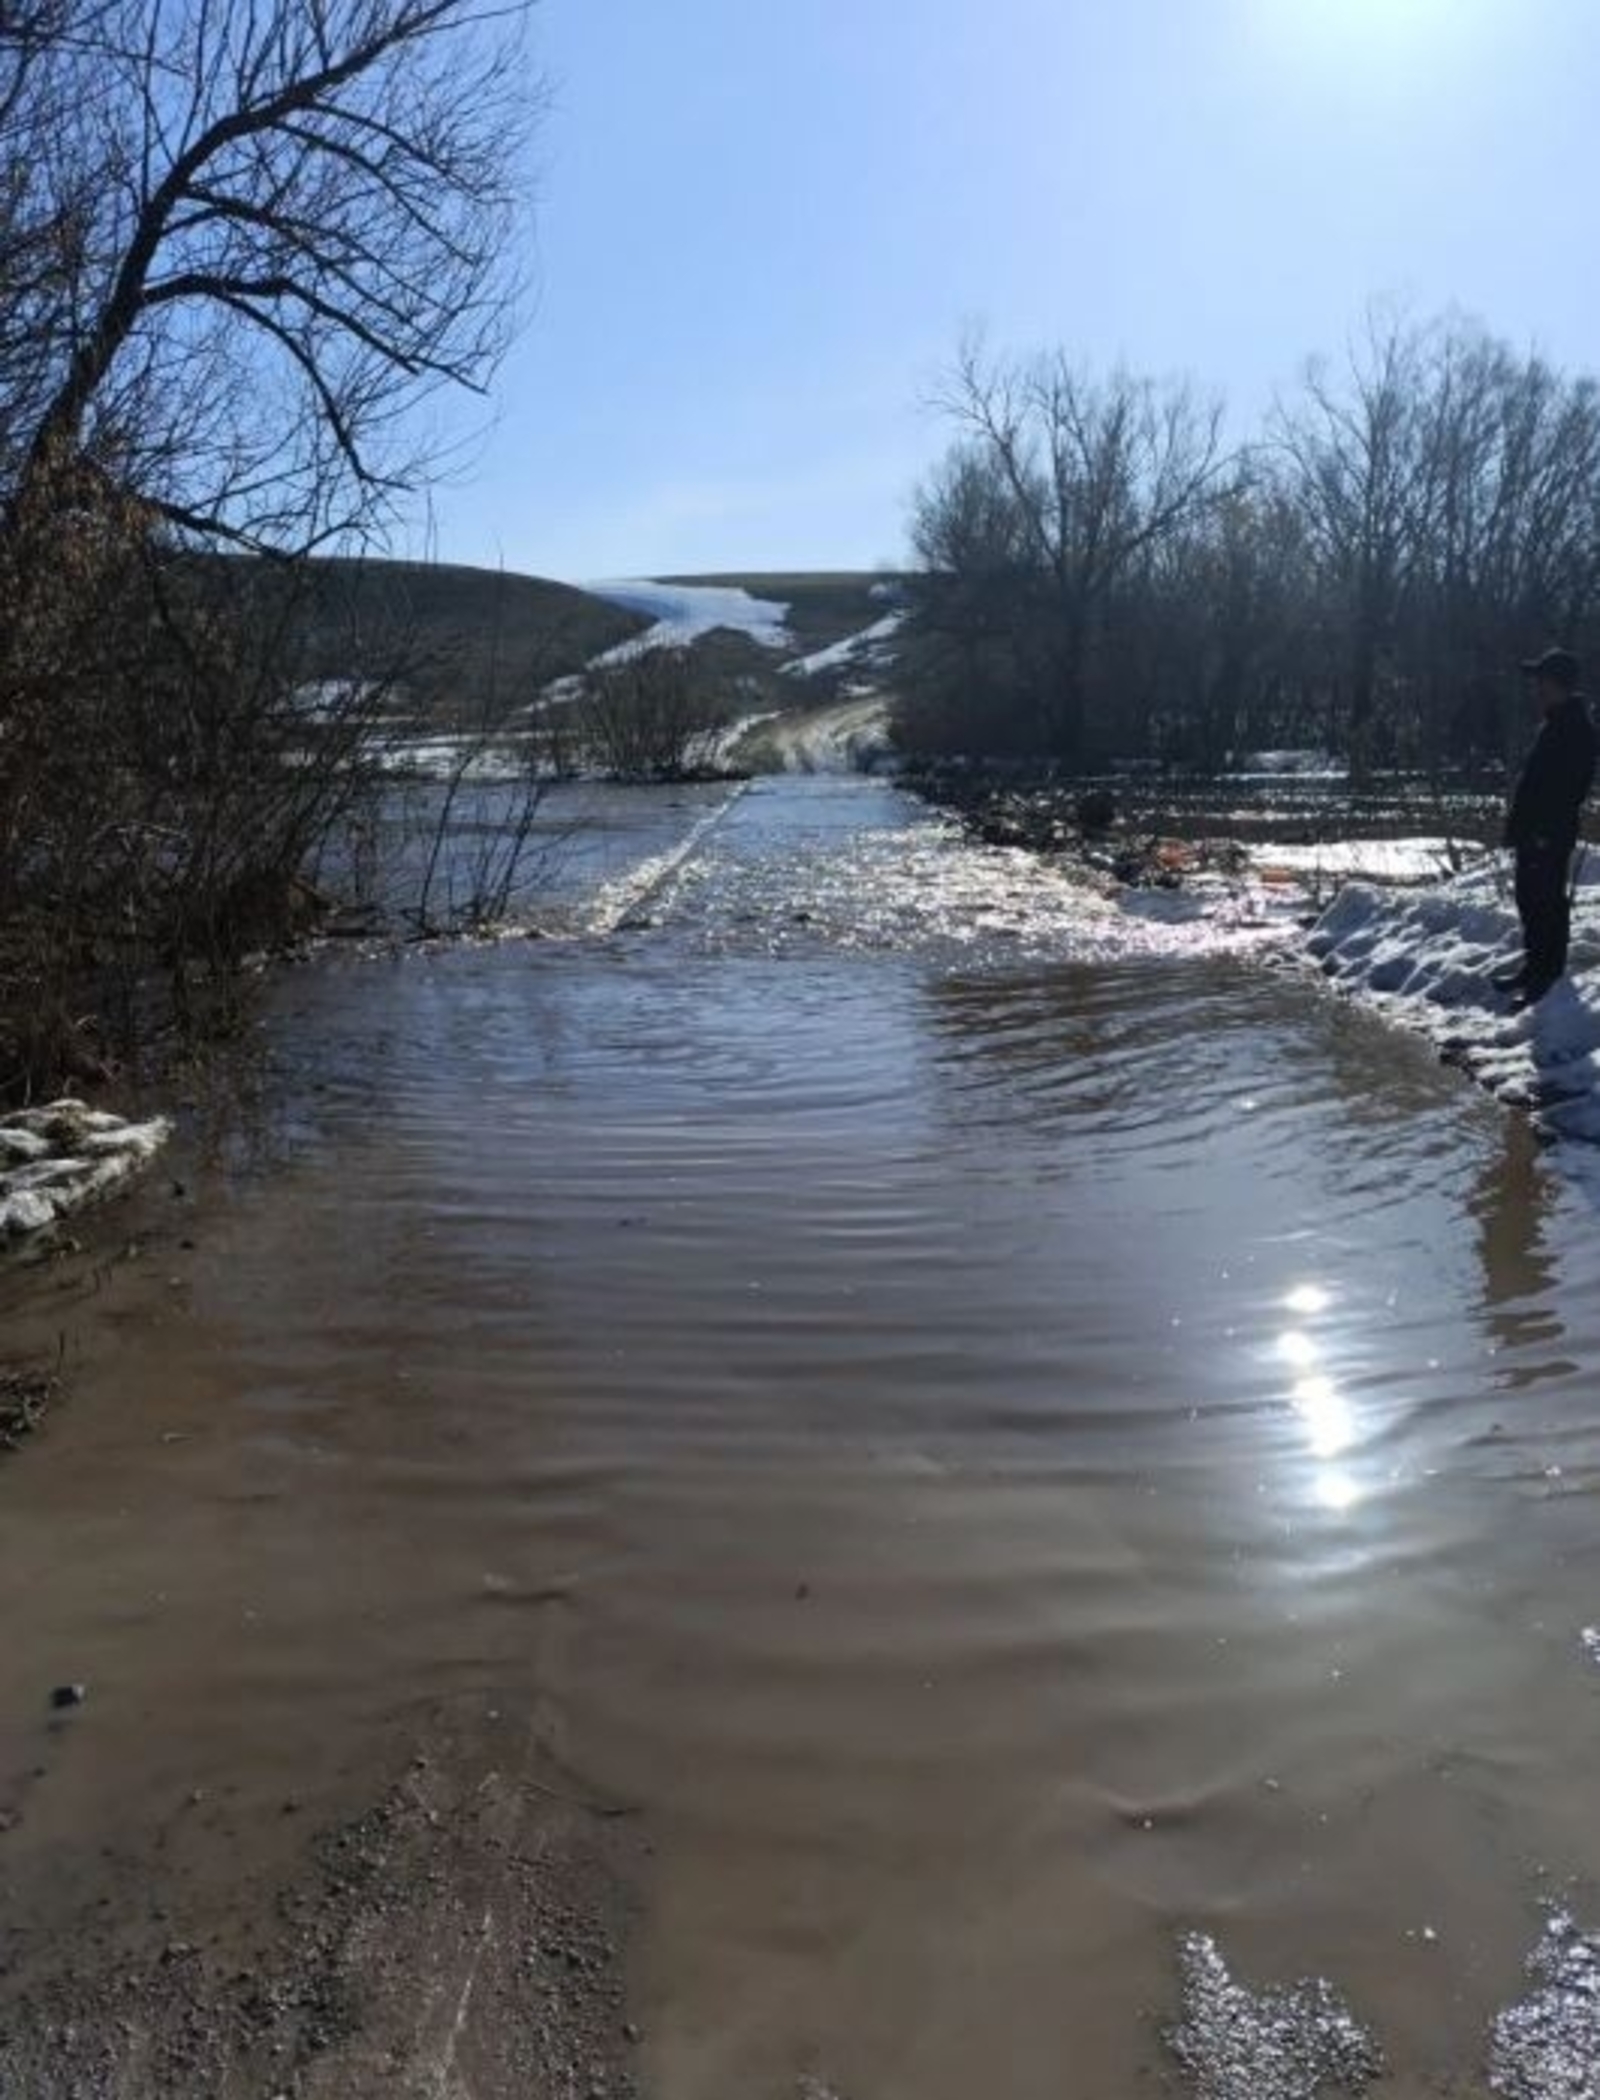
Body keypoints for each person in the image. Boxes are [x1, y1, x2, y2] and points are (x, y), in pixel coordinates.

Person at [1495, 646, 1596, 1003]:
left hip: (1548, 835)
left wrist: (1540, 831)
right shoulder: (1556, 721)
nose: (1535, 687)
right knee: (1530, 900)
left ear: (1558, 684)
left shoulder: (1575, 727)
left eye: (1542, 680)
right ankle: (1535, 966)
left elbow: (1568, 788)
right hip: (1535, 833)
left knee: (1546, 904)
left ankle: (1546, 977)